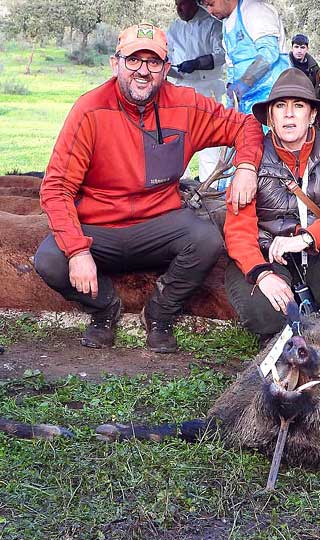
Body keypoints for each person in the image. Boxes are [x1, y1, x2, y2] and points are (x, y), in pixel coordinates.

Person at [34, 23, 263, 354]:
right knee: (50, 260)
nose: (143, 71)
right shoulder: (89, 110)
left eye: (153, 62)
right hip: (99, 228)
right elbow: (55, 187)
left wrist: (246, 166)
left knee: (206, 240)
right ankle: (104, 308)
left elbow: (246, 125)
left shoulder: (185, 105)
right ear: (116, 64)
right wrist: (78, 251)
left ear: (166, 68)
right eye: (133, 60)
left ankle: (160, 311)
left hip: (159, 223)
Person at [224, 68, 320, 341]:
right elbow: (238, 229)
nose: (289, 114)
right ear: (270, 117)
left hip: (318, 259)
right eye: (280, 106)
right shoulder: (251, 159)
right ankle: (287, 323)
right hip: (269, 260)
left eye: (298, 105)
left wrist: (306, 238)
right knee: (266, 316)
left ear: (313, 114)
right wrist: (262, 275)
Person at [166, 0, 226, 183]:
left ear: (193, 3)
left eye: (182, 4)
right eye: (176, 5)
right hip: (178, 90)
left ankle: (209, 188)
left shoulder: (213, 24)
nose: (178, 9)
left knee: (207, 141)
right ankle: (180, 184)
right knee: (176, 139)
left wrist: (197, 63)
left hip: (206, 90)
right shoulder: (174, 27)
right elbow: (167, 54)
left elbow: (221, 54)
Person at [200, 0, 291, 114]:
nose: (209, 11)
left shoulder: (254, 10)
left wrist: (245, 82)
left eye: (211, 4)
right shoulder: (226, 25)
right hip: (246, 103)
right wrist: (231, 99)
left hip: (272, 96)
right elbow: (231, 66)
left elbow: (269, 53)